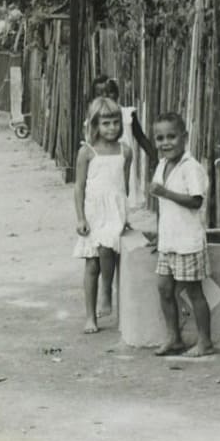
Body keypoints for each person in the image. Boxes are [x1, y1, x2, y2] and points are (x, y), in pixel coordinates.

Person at [148, 112, 214, 357]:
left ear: (184, 137)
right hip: (169, 240)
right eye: (160, 138)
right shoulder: (163, 165)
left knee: (194, 291)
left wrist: (165, 193)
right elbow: (164, 206)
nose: (166, 143)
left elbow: (196, 201)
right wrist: (159, 234)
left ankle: (205, 341)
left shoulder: (191, 168)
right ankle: (174, 338)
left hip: (187, 241)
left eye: (171, 137)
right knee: (164, 288)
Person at [73, 96, 131, 334]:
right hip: (94, 212)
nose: (112, 128)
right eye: (106, 123)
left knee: (108, 249)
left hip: (115, 211)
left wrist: (125, 215)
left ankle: (107, 291)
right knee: (92, 265)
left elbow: (123, 186)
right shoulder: (87, 153)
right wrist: (80, 218)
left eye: (116, 122)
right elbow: (79, 186)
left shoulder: (125, 151)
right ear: (95, 125)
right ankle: (90, 316)